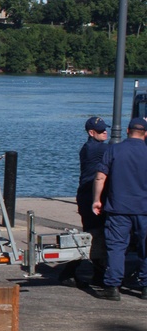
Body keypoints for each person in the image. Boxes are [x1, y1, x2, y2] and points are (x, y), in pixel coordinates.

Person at [91, 117, 147, 300]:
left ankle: (113, 287)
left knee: (116, 247)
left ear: (128, 131)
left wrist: (96, 200)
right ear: (145, 134)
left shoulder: (114, 149)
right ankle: (145, 286)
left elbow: (100, 177)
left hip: (118, 208)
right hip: (144, 209)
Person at [60, 117, 109, 286]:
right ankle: (69, 271)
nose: (105, 132)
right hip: (89, 197)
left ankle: (98, 273)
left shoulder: (93, 147)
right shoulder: (95, 148)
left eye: (105, 129)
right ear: (91, 133)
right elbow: (120, 151)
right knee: (93, 236)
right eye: (101, 130)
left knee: (97, 235)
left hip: (88, 195)